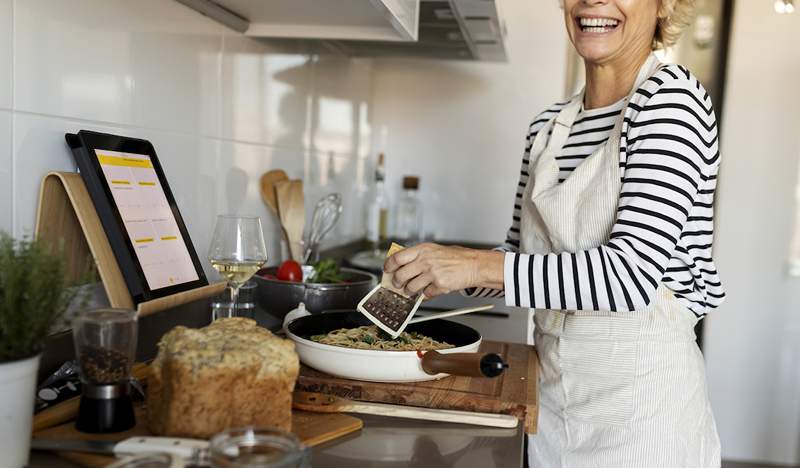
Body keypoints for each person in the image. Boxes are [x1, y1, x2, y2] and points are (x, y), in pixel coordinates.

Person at [383, 0, 725, 466]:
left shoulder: (671, 104)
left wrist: (473, 264)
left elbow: (630, 276)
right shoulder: (547, 128)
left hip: (642, 415)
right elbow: (519, 256)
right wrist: (438, 269)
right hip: (552, 405)